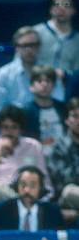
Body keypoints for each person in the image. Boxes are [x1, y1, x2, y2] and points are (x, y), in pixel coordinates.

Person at [0, 105, 53, 212]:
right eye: (5, 127)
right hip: (2, 201)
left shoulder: (33, 146)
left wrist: (44, 201)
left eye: (14, 127)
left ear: (20, 129)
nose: (9, 132)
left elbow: (45, 182)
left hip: (30, 195)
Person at [0, 26, 64, 118]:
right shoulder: (3, 74)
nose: (29, 50)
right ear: (16, 48)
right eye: (25, 46)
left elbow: (59, 101)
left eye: (33, 45)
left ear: (39, 46)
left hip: (47, 122)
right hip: (16, 125)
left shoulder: (51, 71)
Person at [0, 165, 64, 231]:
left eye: (32, 185)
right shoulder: (0, 211)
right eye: (23, 185)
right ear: (16, 186)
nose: (27, 190)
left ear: (41, 188)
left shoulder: (52, 212)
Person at [46, 96, 79, 225]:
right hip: (68, 198)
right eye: (75, 116)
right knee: (69, 190)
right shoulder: (58, 148)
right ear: (66, 120)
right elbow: (64, 181)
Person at [24, 65, 65, 155]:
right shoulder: (26, 112)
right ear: (31, 86)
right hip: (37, 157)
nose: (44, 84)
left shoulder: (63, 108)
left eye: (48, 81)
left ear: (54, 85)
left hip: (64, 157)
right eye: (39, 81)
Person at [34, 0, 79, 76]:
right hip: (35, 83)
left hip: (66, 85)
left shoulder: (77, 39)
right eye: (57, 5)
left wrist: (65, 74)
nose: (61, 9)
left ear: (73, 10)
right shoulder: (35, 33)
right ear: (50, 9)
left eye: (66, 5)